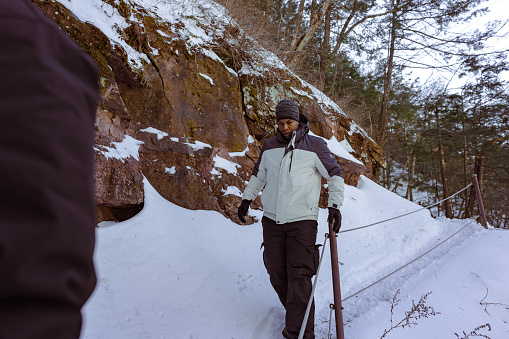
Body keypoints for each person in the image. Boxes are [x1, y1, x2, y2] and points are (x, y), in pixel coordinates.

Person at [0, 1, 99, 338]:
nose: (275, 124)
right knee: (274, 270)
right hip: (270, 221)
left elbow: (34, 280)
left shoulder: (23, 41)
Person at [237, 99, 344, 339]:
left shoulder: (314, 145)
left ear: (298, 121)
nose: (285, 127)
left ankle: (300, 332)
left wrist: (334, 205)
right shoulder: (269, 146)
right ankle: (297, 315)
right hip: (272, 221)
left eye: (289, 122)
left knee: (299, 275)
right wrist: (246, 200)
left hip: (302, 221)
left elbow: (335, 174)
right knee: (276, 272)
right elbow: (258, 176)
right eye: (281, 122)